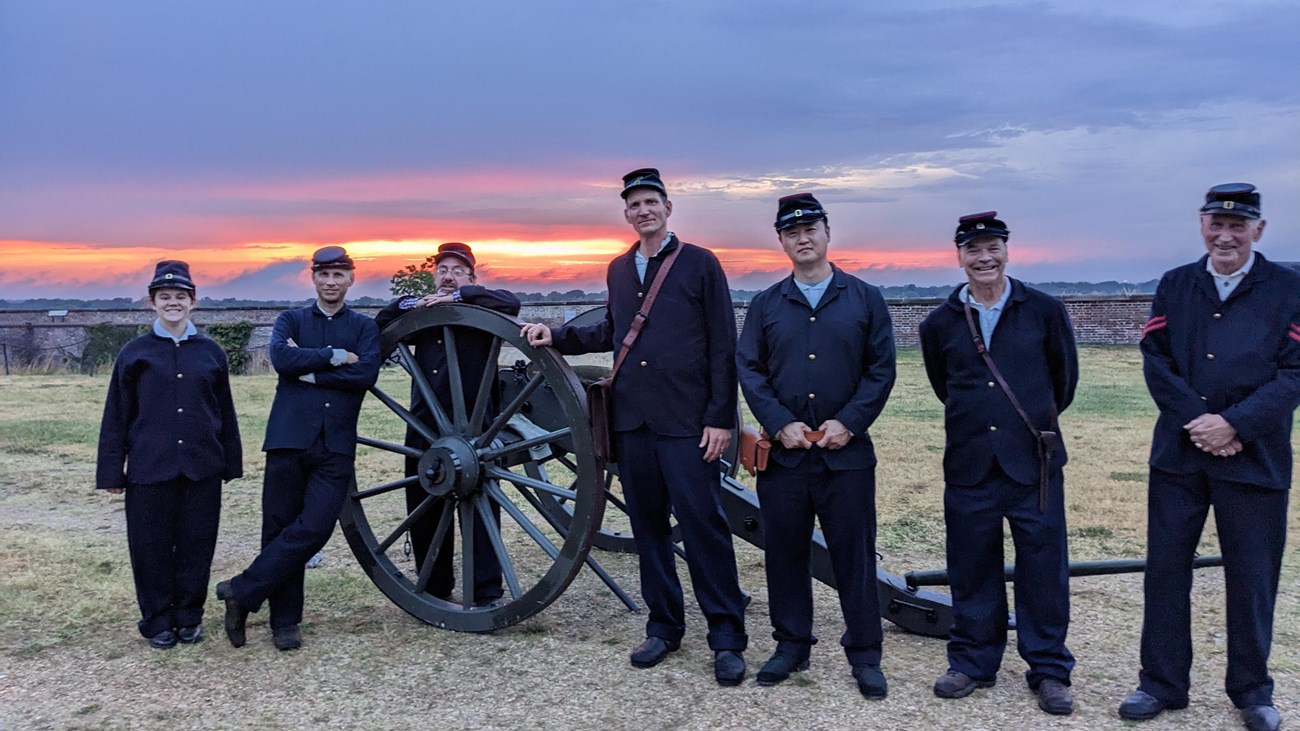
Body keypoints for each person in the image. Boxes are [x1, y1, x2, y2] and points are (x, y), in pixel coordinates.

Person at [519, 168, 748, 686]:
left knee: (703, 527)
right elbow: (613, 332)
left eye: (650, 202)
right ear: (626, 214)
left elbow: (722, 346)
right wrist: (553, 334)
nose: (643, 211)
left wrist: (719, 419)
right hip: (634, 420)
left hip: (687, 422)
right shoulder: (620, 269)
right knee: (648, 531)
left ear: (668, 207)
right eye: (634, 205)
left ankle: (727, 637)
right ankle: (664, 627)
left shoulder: (700, 263)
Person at [1118, 184, 1299, 731]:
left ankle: (1252, 690)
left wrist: (1236, 424)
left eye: (1238, 226)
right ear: (1201, 226)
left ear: (1258, 230)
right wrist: (1202, 423)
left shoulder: (1289, 289)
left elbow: (1295, 370)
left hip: (1255, 457)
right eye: (1215, 225)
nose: (1226, 236)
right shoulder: (1176, 285)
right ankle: (1162, 683)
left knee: (1252, 577)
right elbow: (1156, 360)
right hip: (1181, 456)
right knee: (1166, 573)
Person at [735, 193, 895, 698]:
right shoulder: (765, 305)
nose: (803, 238)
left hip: (846, 455)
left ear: (827, 232)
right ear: (781, 241)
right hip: (786, 457)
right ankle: (792, 644)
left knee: (854, 556)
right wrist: (779, 422)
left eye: (811, 229)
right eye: (791, 232)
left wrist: (849, 421)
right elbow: (751, 371)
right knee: (785, 553)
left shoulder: (864, 298)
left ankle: (866, 653)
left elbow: (880, 370)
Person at [918, 211, 1078, 715]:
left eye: (993, 248)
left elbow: (1063, 381)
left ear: (1007, 251)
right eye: (973, 250)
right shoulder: (939, 322)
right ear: (959, 255)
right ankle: (972, 660)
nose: (984, 258)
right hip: (970, 466)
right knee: (971, 568)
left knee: (1043, 570)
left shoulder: (1044, 311)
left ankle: (1049, 668)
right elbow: (944, 386)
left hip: (1034, 466)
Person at [216, 246, 380, 651]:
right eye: (323, 274)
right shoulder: (291, 319)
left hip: (336, 442)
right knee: (278, 528)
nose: (330, 282)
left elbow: (366, 373)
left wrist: (311, 375)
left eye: (338, 274)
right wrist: (335, 356)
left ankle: (241, 590)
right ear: (313, 278)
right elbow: (280, 358)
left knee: (316, 528)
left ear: (351, 279)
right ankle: (284, 623)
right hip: (288, 438)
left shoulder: (364, 326)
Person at [96, 260, 243, 649]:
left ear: (193, 302)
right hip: (150, 467)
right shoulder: (135, 353)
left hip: (201, 467)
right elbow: (117, 414)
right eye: (165, 297)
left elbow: (223, 411)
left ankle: (189, 616)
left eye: (180, 296)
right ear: (152, 302)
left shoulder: (210, 352)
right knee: (150, 548)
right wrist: (112, 471)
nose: (173, 303)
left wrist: (231, 461)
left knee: (197, 545)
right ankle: (158, 619)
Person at [374, 242, 521, 607]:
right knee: (425, 502)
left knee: (484, 508)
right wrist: (412, 304)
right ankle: (435, 584)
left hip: (476, 426)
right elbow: (381, 323)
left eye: (458, 270)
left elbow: (511, 304)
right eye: (442, 270)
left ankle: (485, 590)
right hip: (426, 425)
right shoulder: (421, 318)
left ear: (472, 276)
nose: (448, 276)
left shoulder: (482, 304)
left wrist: (462, 296)